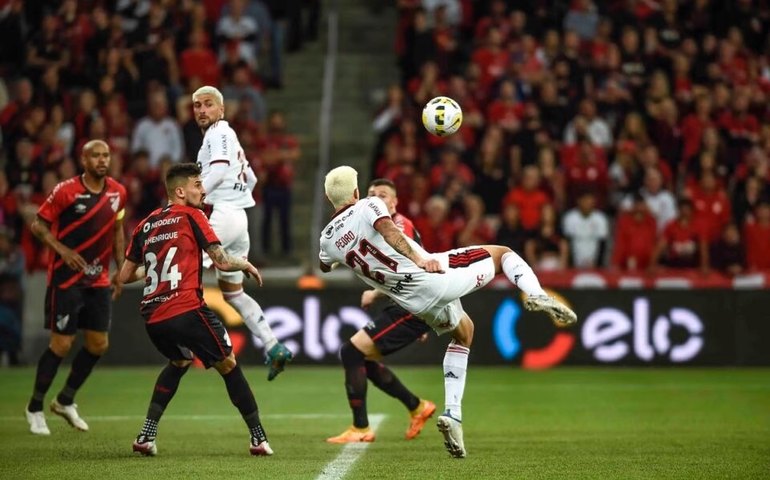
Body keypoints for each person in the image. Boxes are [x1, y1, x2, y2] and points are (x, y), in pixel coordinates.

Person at [318, 166, 577, 458]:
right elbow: (389, 230)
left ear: (329, 199)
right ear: (356, 193)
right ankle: (536, 294)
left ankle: (452, 415)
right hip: (433, 275)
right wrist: (419, 258)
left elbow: (325, 265)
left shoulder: (325, 242)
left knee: (464, 334)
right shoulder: (369, 206)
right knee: (503, 254)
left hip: (414, 304)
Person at [118, 163, 273, 457]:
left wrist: (153, 270)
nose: (203, 190)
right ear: (180, 191)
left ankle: (146, 435)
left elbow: (124, 276)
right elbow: (222, 260)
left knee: (179, 361)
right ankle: (258, 438)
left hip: (153, 317)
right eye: (197, 185)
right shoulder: (194, 215)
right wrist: (247, 264)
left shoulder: (146, 224)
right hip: (186, 309)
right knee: (228, 365)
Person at [25, 140, 127, 435]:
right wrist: (63, 251)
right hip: (66, 280)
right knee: (61, 344)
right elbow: (38, 225)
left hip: (98, 279)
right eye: (95, 155)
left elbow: (117, 230)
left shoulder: (118, 192)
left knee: (98, 344)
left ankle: (65, 400)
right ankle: (34, 407)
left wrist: (120, 270)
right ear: (83, 160)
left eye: (105, 155)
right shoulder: (66, 190)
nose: (101, 160)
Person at [191, 85, 293, 380]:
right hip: (238, 219)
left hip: (222, 215)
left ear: (221, 110)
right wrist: (235, 200)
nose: (201, 110)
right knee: (233, 293)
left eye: (208, 104)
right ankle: (274, 346)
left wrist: (196, 198)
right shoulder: (228, 137)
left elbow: (221, 170)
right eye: (197, 106)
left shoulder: (219, 133)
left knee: (185, 272)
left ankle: (199, 343)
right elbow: (251, 177)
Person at [326, 178, 436, 444]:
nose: (376, 198)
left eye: (383, 194)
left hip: (411, 305)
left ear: (395, 202)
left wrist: (373, 292)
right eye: (371, 193)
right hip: (406, 304)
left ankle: (361, 428)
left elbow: (406, 266)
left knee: (351, 351)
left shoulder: (399, 226)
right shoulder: (372, 223)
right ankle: (417, 407)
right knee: (361, 358)